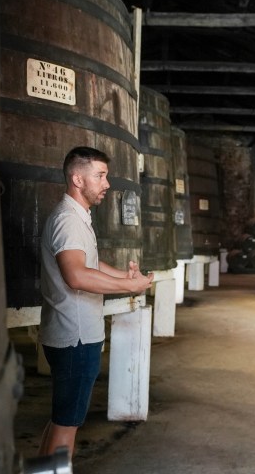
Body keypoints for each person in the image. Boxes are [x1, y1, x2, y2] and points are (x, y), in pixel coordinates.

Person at [37, 146, 154, 459]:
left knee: (61, 420)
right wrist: (127, 287)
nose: (107, 183)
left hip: (70, 334)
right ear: (78, 179)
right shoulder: (68, 221)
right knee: (66, 428)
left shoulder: (76, 217)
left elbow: (91, 263)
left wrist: (128, 281)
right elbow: (76, 275)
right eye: (100, 175)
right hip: (75, 338)